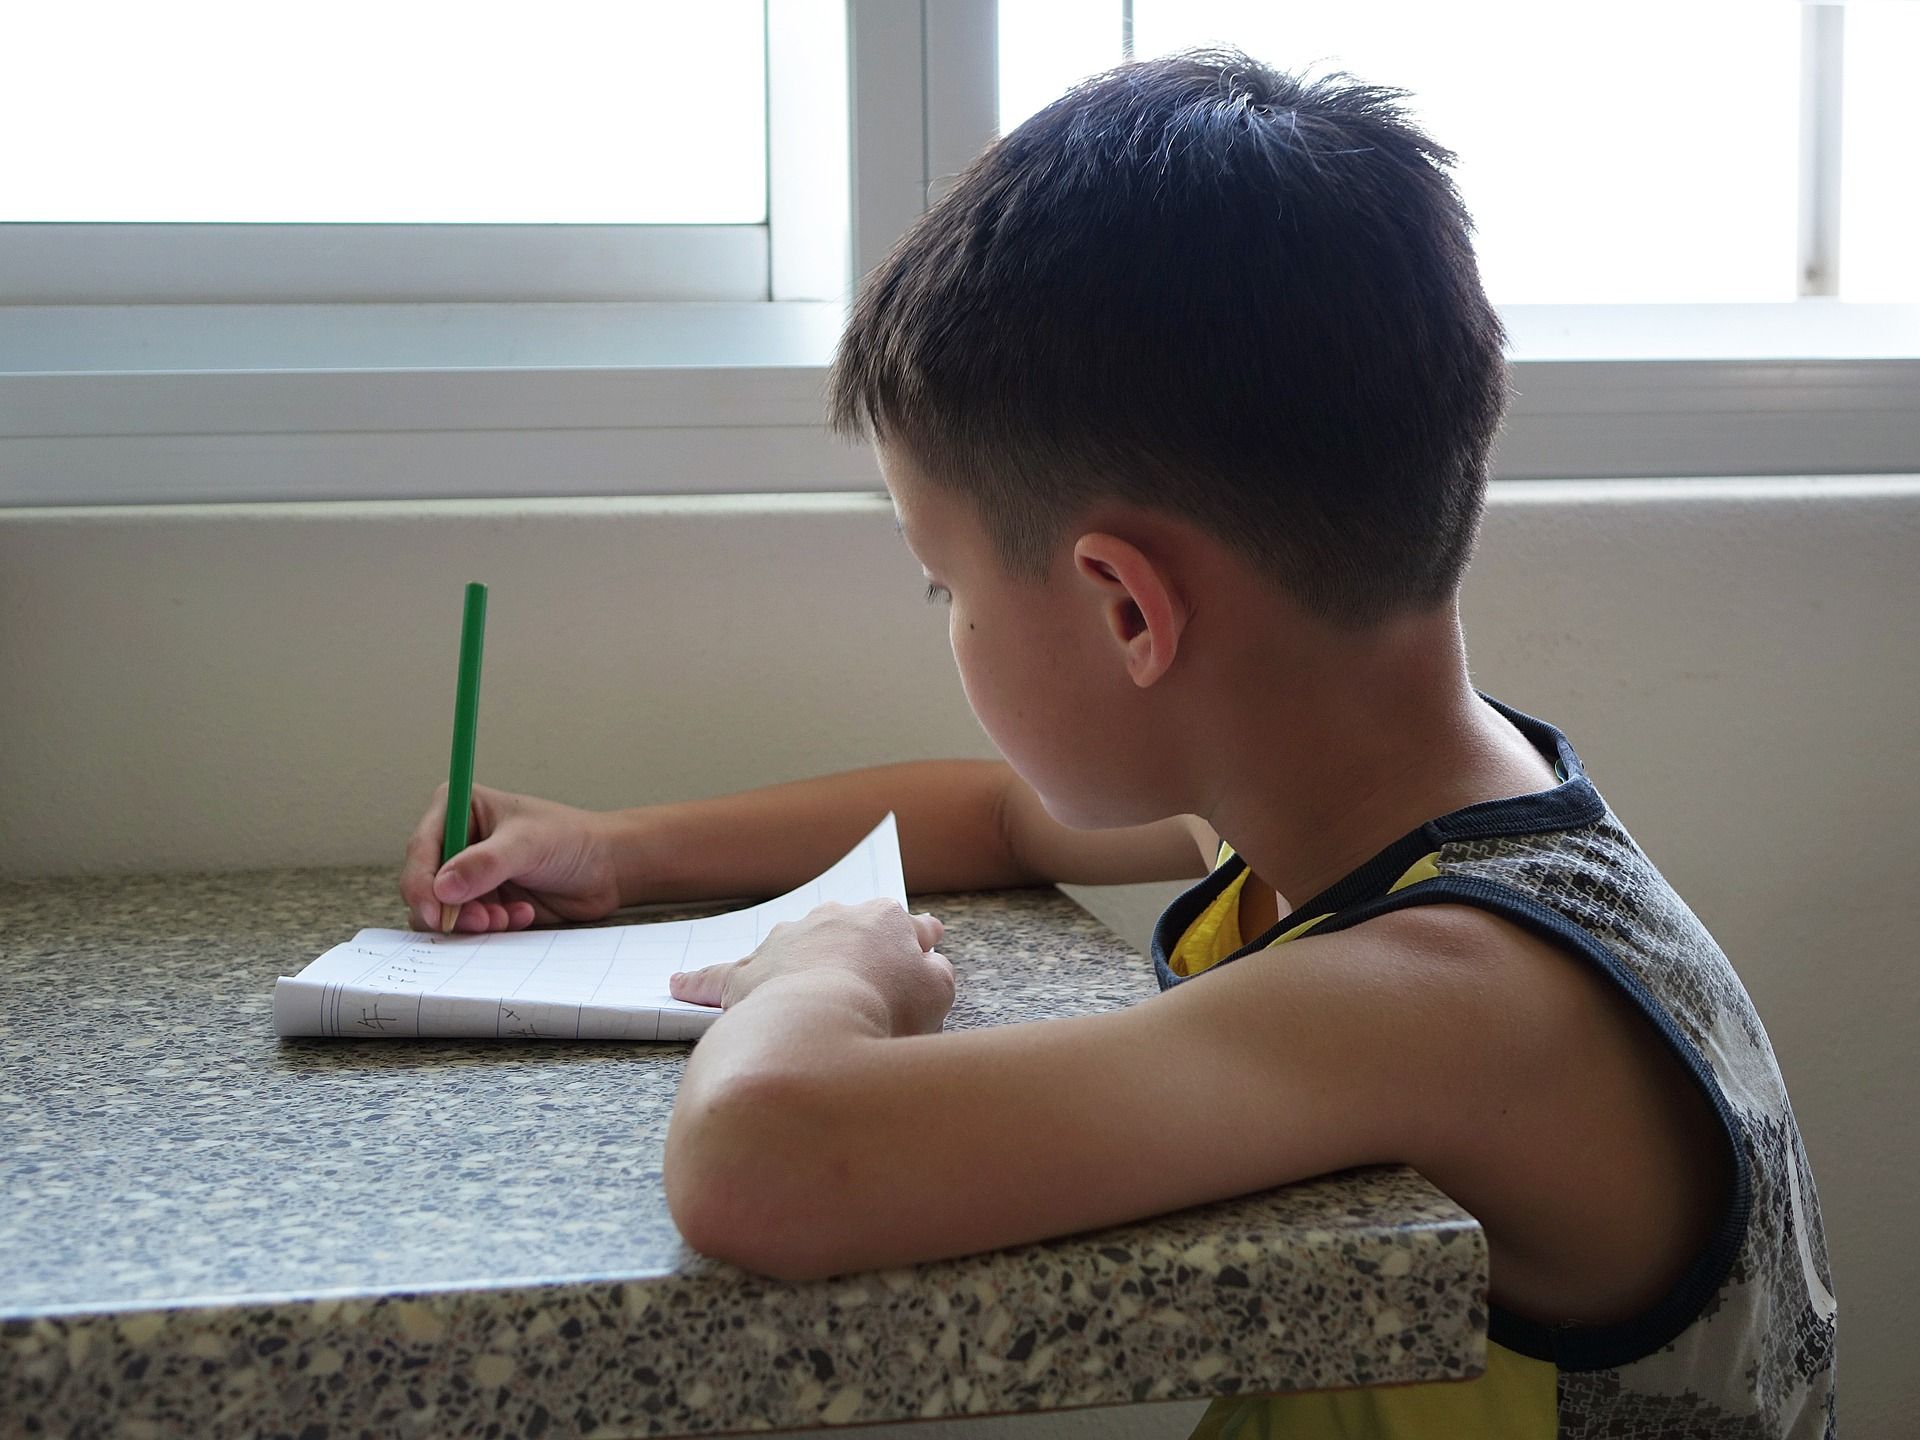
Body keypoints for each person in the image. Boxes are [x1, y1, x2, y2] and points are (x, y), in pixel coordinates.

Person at [398, 52, 1836, 1439]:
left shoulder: (1451, 997)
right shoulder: (1344, 794)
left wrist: (823, 976)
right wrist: (621, 849)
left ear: (1126, 609)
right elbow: (996, 819)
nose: (946, 619)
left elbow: (766, 1163)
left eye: (944, 586)